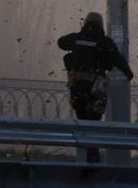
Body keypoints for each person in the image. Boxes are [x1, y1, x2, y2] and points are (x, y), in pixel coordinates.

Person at [57, 12, 133, 163]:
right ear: (100, 25)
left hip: (77, 88)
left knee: (82, 120)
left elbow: (61, 43)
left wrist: (77, 39)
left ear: (85, 23)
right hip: (97, 88)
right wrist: (127, 72)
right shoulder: (105, 42)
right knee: (93, 122)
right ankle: (92, 156)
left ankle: (83, 156)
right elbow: (117, 59)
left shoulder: (76, 38)